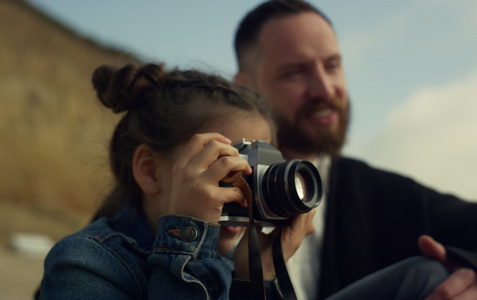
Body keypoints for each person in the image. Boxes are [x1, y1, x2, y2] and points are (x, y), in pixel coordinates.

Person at [38, 62, 449, 300]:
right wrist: (188, 240)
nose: (246, 187)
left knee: (426, 277)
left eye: (260, 165)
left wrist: (261, 274)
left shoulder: (233, 258)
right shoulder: (84, 264)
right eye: (226, 163)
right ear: (149, 170)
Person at [232, 1, 477, 299]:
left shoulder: (382, 194)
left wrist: (469, 275)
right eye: (296, 72)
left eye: (332, 66)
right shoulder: (206, 192)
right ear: (246, 88)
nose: (325, 88)